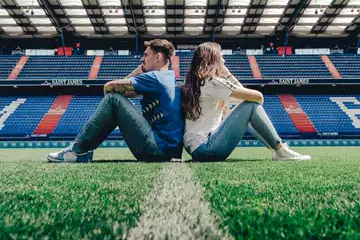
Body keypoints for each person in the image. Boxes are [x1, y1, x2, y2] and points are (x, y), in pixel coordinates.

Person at [47, 39, 184, 163]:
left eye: (146, 55)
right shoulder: (168, 79)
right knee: (115, 99)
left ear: (158, 57)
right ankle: (82, 150)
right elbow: (124, 93)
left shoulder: (155, 76)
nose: (142, 59)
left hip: (156, 148)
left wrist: (138, 71)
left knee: (113, 99)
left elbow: (110, 88)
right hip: (169, 151)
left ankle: (78, 150)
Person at [182, 42, 311, 162]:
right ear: (213, 60)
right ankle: (280, 149)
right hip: (207, 148)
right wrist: (228, 75)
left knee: (247, 112)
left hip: (199, 149)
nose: (224, 60)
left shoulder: (198, 83)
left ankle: (277, 149)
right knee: (251, 105)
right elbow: (257, 97)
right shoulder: (213, 82)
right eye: (221, 57)